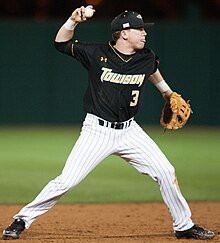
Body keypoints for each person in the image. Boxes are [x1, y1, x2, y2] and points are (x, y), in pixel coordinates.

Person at [2, 5, 215, 240]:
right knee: (67, 181)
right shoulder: (96, 54)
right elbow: (60, 43)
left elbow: (152, 69)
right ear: (123, 33)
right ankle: (21, 219)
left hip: (130, 131)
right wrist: (73, 20)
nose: (145, 33)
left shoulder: (146, 56)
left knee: (166, 171)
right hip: (98, 131)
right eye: (139, 29)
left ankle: (184, 225)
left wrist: (167, 92)